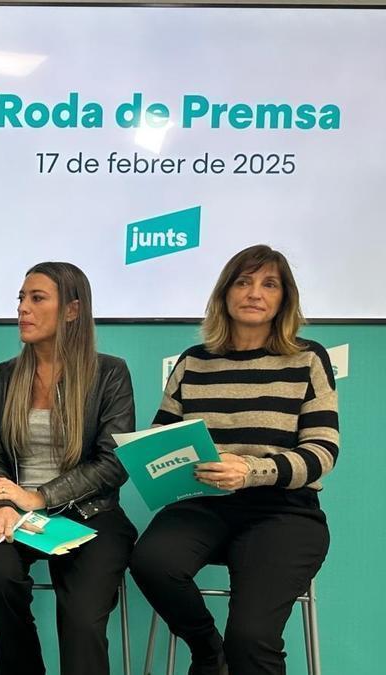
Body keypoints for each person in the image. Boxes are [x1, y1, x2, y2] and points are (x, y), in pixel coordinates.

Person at [129, 245, 338, 675]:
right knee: (151, 561)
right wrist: (159, 455)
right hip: (201, 504)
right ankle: (209, 653)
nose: (254, 293)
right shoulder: (193, 363)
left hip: (283, 513)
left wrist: (251, 470)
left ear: (285, 298)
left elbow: (322, 452)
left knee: (251, 639)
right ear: (225, 293)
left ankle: (230, 652)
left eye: (269, 284)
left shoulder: (307, 358)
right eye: (243, 282)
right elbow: (160, 436)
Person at [0, 261, 137, 675]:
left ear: (73, 311)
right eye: (21, 298)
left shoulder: (109, 373)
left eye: (37, 298)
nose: (23, 308)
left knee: (81, 620)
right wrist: (3, 500)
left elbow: (113, 463)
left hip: (92, 515)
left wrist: (41, 497)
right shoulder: (1, 378)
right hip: (16, 513)